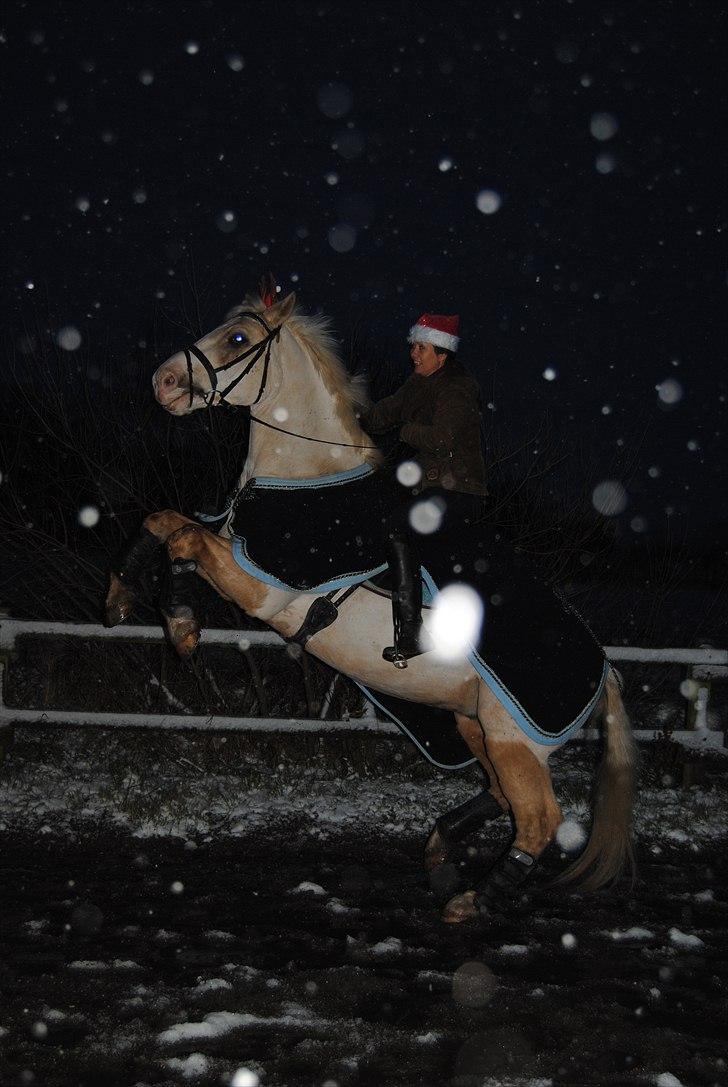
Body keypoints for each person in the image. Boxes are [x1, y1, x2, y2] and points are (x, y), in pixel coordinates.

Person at [363, 313, 487, 668]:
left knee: (398, 529)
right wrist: (352, 418)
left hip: (459, 493)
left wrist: (403, 429)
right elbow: (388, 411)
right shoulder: (419, 383)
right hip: (431, 488)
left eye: (421, 347)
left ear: (442, 354)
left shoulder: (457, 387)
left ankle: (412, 635)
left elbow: (442, 440)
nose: (413, 354)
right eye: (414, 347)